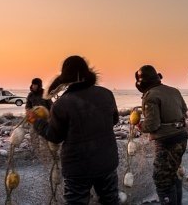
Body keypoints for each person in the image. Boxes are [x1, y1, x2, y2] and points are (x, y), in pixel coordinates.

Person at [29, 56, 120, 205]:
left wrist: (36, 122)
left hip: (78, 167)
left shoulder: (62, 104)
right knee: (110, 200)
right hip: (106, 162)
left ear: (65, 78)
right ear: (88, 73)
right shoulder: (106, 94)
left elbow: (54, 136)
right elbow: (114, 120)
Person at [135, 65, 188, 205]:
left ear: (141, 83)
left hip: (166, 142)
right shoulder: (174, 90)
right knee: (173, 173)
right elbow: (184, 110)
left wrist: (140, 126)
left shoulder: (150, 95)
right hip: (182, 137)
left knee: (162, 180)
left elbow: (153, 125)